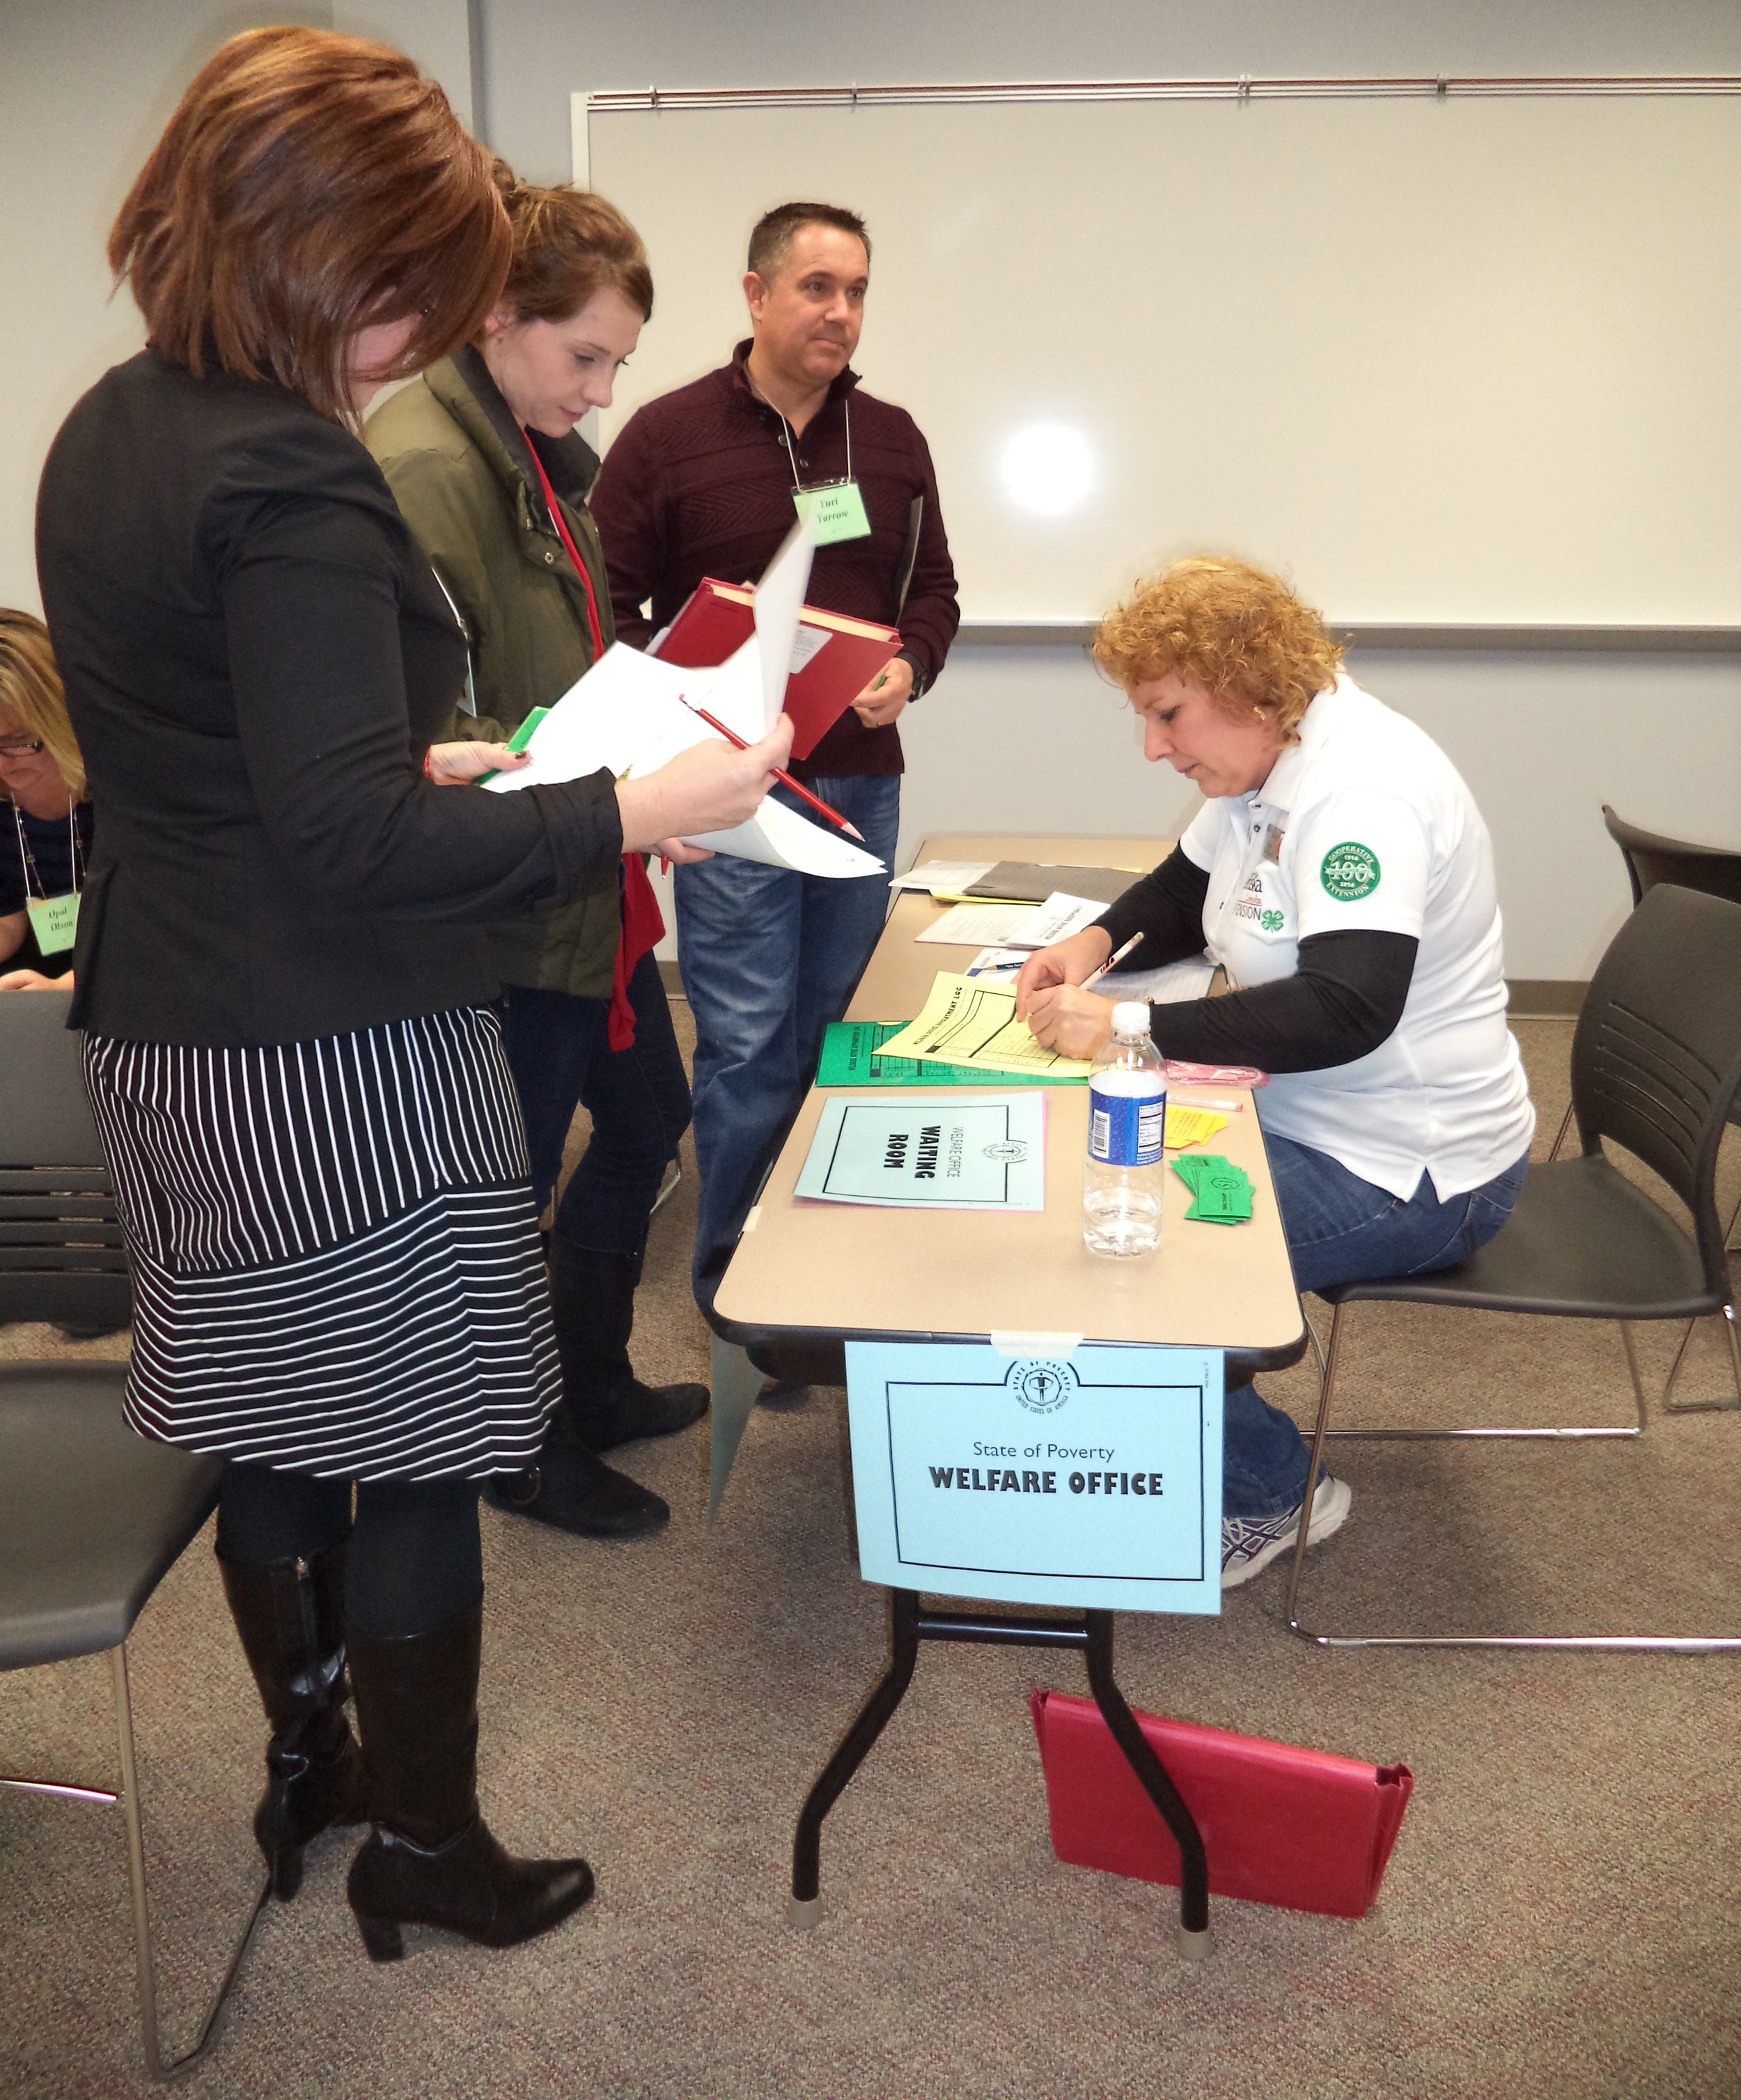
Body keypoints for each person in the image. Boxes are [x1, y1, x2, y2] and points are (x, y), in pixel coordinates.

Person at [35, 26, 789, 1962]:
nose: (415, 334)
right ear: (321, 255)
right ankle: (428, 1842)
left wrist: (420, 761)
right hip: (334, 1043)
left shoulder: (114, 422)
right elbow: (350, 848)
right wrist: (637, 802)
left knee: (275, 1425)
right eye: (405, 294)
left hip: (170, 1024)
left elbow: (240, 767)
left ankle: (316, 1766)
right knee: (427, 1437)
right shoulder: (295, 473)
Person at [1015, 554, 1534, 1588]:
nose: (1155, 748)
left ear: (1250, 686)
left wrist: (1129, 1025)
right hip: (1297, 1112)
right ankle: (1161, 1425)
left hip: (1413, 1167)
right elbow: (1182, 884)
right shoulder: (1271, 757)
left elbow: (1349, 1006)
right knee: (1080, 1194)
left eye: (1168, 716)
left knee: (1131, 1264)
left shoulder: (1363, 793)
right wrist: (1094, 945)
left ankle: (1275, 1493)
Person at [365, 176, 702, 1542]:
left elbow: (557, 667)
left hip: (585, 883)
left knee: (640, 1125)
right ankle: (523, 1443)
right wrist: (613, 779)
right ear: (496, 314)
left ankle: (594, 1380)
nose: (605, 390)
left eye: (619, 359)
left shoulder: (522, 446)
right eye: (585, 356)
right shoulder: (424, 466)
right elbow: (411, 733)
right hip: (510, 907)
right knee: (498, 1200)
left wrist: (650, 749)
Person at [594, 200, 960, 1315]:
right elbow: (601, 608)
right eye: (817, 288)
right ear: (756, 295)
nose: (841, 313)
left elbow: (936, 592)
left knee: (839, 1037)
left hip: (859, 782)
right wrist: (669, 735)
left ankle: (825, 1277)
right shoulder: (664, 435)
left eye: (856, 291)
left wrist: (912, 662)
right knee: (750, 1046)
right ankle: (736, 1292)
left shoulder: (892, 438)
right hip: (728, 789)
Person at [0, 610, 90, 992]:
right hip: (34, 976)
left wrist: (64, 989)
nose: (3, 764)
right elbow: (9, 919)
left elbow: (156, 931)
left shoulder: (122, 796)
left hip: (130, 974)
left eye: (17, 742)